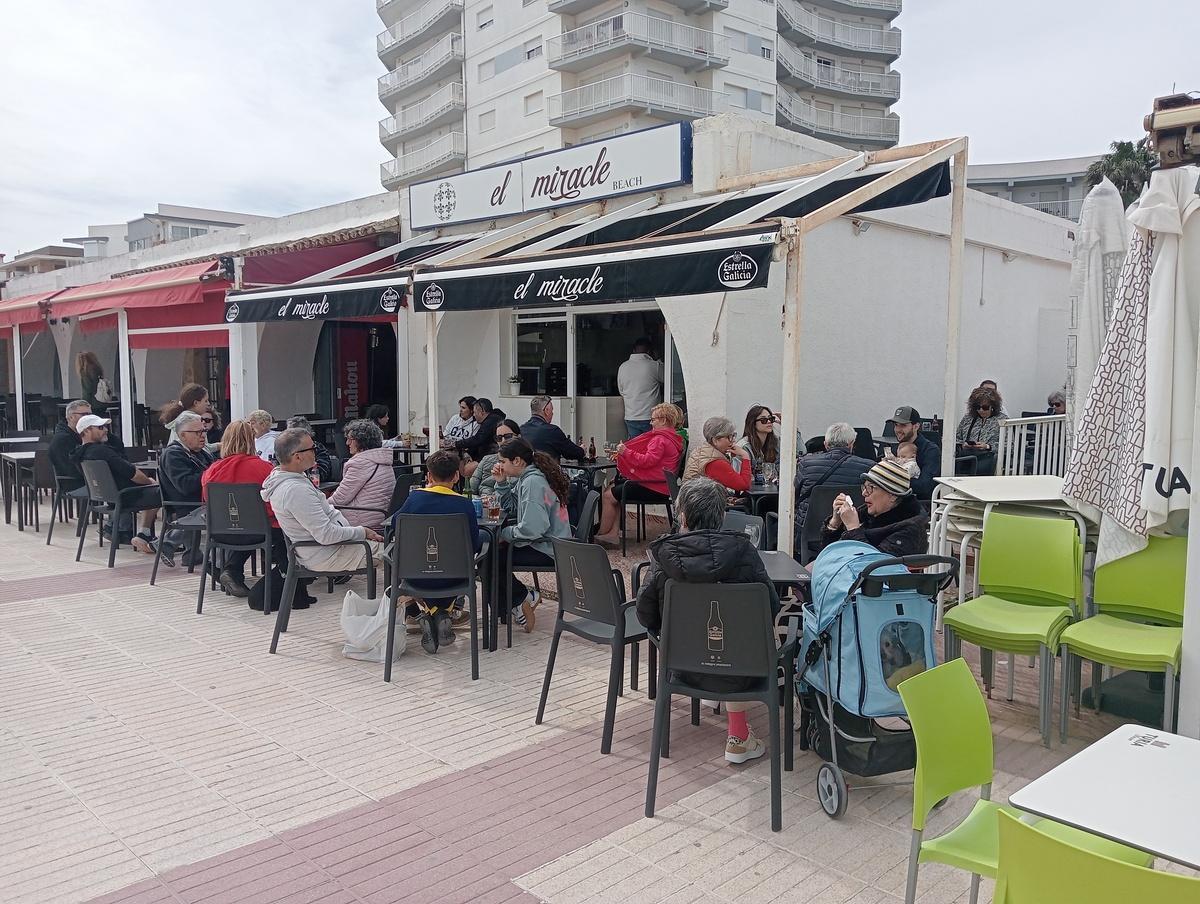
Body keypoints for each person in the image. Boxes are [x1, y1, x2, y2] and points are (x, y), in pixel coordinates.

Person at [636, 476, 780, 764]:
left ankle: (722, 708)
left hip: (682, 665)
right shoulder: (744, 554)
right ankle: (738, 735)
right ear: (723, 516)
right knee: (744, 638)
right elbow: (770, 606)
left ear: (683, 517)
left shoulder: (664, 557)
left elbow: (645, 612)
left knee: (717, 639)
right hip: (743, 668)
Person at [262, 428, 384, 576]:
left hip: (329, 549)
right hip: (329, 554)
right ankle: (401, 597)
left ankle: (403, 597)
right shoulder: (295, 490)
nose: (317, 451)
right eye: (312, 448)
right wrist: (362, 532)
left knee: (400, 553)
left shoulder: (290, 479)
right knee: (400, 556)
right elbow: (326, 535)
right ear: (297, 457)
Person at [396, 450, 483, 653]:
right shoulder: (465, 504)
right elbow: (473, 543)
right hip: (455, 576)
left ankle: (432, 613)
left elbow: (395, 524)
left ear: (428, 477)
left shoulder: (414, 499)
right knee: (478, 544)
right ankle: (442, 613)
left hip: (416, 575)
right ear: (456, 476)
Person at [491, 438, 572, 634]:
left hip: (549, 547)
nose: (499, 465)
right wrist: (501, 484)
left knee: (493, 558)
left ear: (517, 460)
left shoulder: (533, 482)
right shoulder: (529, 477)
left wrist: (505, 533)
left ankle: (521, 599)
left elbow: (533, 528)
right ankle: (514, 604)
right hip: (550, 541)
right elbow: (511, 507)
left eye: (503, 461)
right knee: (494, 555)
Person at [201, 419, 280, 599]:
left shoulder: (211, 471)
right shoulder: (265, 468)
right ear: (251, 440)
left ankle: (232, 571)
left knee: (244, 525)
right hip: (258, 531)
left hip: (220, 532)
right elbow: (272, 504)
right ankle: (285, 578)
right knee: (283, 528)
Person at [594, 403, 684, 544]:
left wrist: (625, 452)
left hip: (653, 487)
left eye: (653, 419)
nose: (650, 422)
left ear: (664, 420)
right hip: (663, 486)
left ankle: (601, 535)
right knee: (613, 489)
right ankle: (612, 533)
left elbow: (647, 461)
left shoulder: (659, 439)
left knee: (608, 496)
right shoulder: (673, 438)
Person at [70, 415, 160, 554]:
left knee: (155, 488)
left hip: (106, 497)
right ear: (86, 431)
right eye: (100, 427)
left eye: (105, 427)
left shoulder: (79, 454)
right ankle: (150, 535)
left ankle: (146, 535)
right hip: (126, 496)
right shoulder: (103, 451)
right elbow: (133, 474)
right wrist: (150, 482)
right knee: (162, 491)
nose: (105, 430)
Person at [792, 422, 877, 561]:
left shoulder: (806, 464)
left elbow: (796, 495)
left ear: (825, 444)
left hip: (808, 529)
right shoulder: (868, 467)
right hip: (851, 527)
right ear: (851, 444)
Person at [821, 459, 929, 558]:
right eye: (864, 487)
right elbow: (828, 552)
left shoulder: (910, 529)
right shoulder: (867, 514)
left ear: (893, 495)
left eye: (871, 488)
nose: (864, 493)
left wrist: (853, 528)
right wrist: (835, 523)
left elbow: (875, 566)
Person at [156, 411, 216, 567]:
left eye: (204, 431)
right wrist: (211, 474)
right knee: (225, 508)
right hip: (185, 504)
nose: (202, 435)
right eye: (197, 432)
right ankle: (167, 543)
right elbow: (185, 485)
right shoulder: (173, 454)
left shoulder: (201, 452)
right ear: (182, 436)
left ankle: (191, 554)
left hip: (201, 500)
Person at [329, 419, 396, 530]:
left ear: (362, 441)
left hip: (361, 521)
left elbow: (340, 499)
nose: (347, 443)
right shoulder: (383, 460)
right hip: (381, 516)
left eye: (350, 439)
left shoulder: (359, 464)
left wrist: (318, 506)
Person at [50, 399, 125, 485]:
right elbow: (71, 469)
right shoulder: (61, 440)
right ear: (71, 417)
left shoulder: (98, 433)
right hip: (77, 483)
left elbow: (118, 448)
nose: (89, 417)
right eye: (85, 414)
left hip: (101, 479)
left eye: (90, 414)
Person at [682, 416, 752, 494]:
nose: (733, 440)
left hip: (693, 498)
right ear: (715, 440)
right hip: (702, 503)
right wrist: (745, 456)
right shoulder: (715, 462)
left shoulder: (703, 451)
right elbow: (744, 485)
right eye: (729, 437)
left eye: (733, 435)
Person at [617, 338, 663, 439]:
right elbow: (667, 379)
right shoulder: (654, 366)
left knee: (635, 448)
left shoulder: (623, 367)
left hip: (631, 416)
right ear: (650, 351)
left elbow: (621, 391)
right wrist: (658, 359)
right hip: (650, 417)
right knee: (651, 447)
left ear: (633, 350)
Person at [890, 406, 940, 501]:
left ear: (916, 426)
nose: (898, 430)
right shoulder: (895, 449)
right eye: (896, 425)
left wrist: (892, 479)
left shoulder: (930, 450)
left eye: (903, 425)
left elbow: (924, 486)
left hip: (918, 506)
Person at [520, 395, 586, 462]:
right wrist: (582, 450)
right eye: (552, 410)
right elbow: (572, 452)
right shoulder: (552, 431)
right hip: (547, 471)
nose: (552, 413)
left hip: (527, 471)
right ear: (546, 411)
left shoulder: (521, 429)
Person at [955, 386, 1003, 474]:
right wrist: (963, 445)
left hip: (988, 462)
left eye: (985, 407)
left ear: (993, 407)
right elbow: (956, 438)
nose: (981, 410)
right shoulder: (968, 418)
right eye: (978, 407)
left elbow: (1009, 446)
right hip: (966, 459)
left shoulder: (1002, 421)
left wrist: (988, 446)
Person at [469, 419, 519, 496]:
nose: (503, 441)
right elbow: (471, 487)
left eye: (508, 436)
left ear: (519, 437)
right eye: (499, 438)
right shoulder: (487, 459)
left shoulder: (523, 463)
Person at [454, 397, 504, 470]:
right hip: (487, 454)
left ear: (482, 411)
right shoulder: (491, 419)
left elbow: (478, 439)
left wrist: (456, 444)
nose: (473, 415)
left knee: (465, 469)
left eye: (474, 412)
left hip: (493, 456)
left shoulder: (491, 421)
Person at [286, 415, 333, 484]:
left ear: (306, 434)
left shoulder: (317, 448)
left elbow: (322, 474)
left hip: (315, 488)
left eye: (292, 435)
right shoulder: (286, 450)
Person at [738, 405, 780, 474]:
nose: (769, 422)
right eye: (763, 420)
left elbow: (800, 452)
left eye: (771, 419)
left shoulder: (775, 442)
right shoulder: (744, 447)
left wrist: (787, 424)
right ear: (753, 423)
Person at [76, 351, 112, 416]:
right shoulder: (97, 368)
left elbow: (87, 390)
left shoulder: (85, 371)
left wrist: (84, 404)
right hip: (102, 401)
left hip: (93, 404)